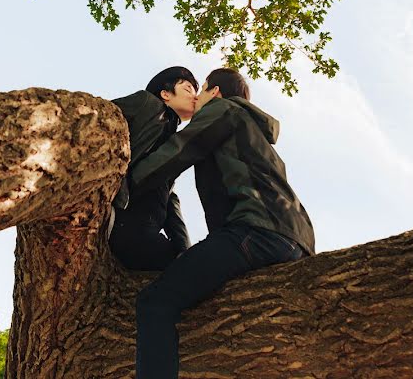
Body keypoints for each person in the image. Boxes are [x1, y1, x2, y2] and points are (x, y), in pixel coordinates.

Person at [129, 68, 315, 378]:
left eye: (200, 89)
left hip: (254, 232)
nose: (196, 97)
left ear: (214, 93)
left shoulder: (222, 110)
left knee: (153, 303)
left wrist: (124, 184)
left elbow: (178, 151)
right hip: (294, 241)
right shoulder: (251, 129)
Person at [109, 67, 198, 271]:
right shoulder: (147, 104)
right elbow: (100, 116)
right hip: (124, 220)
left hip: (145, 231)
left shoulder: (172, 139)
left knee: (189, 267)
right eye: (187, 89)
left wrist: (183, 248)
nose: (194, 96)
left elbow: (168, 196)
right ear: (165, 94)